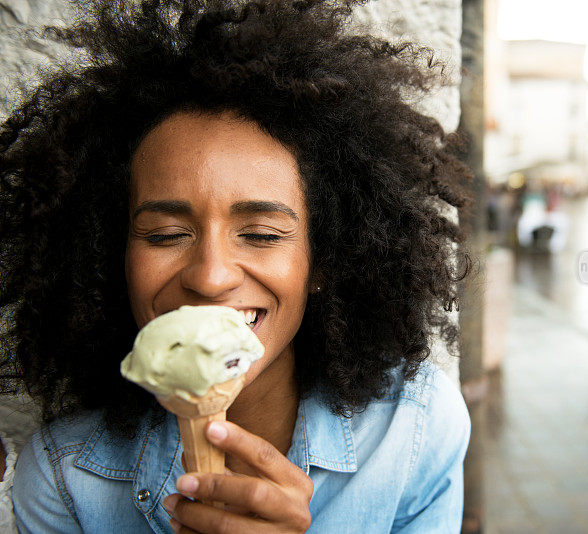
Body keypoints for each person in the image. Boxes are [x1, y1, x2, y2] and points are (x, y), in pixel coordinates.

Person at [0, 0, 473, 531]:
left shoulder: (414, 429)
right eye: (165, 235)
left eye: (263, 235)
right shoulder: (62, 480)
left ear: (323, 260)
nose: (210, 276)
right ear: (112, 255)